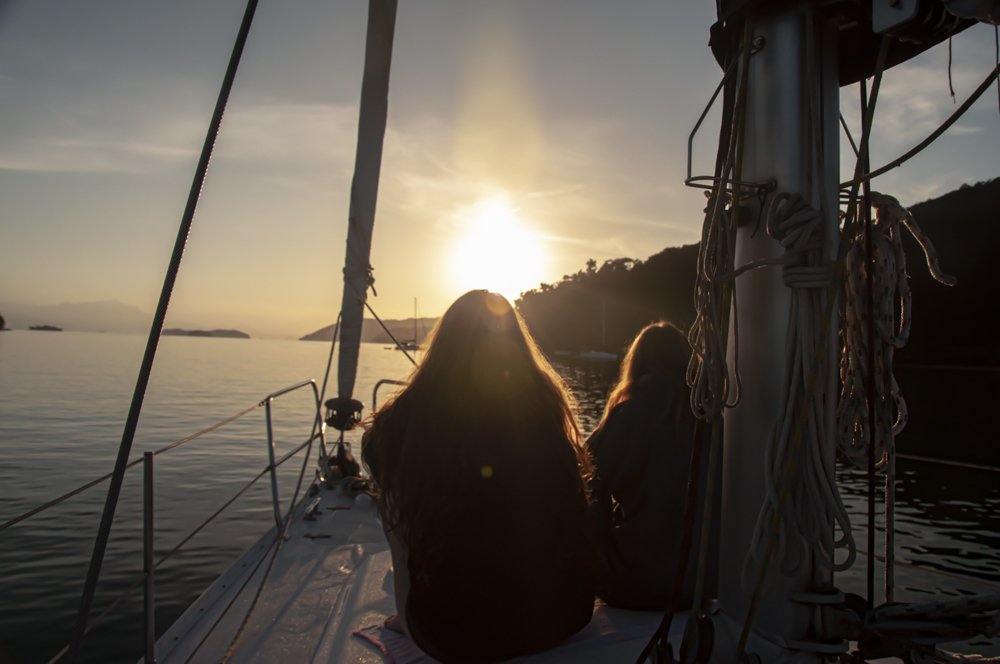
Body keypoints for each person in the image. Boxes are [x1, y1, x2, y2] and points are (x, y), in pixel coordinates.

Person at [362, 290, 596, 663]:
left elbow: (391, 497)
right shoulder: (546, 406)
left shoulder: (401, 423)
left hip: (457, 636)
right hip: (564, 617)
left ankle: (406, 616)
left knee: (391, 507)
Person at [586, 321, 705, 610]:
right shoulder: (712, 418)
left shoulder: (628, 414)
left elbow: (583, 473)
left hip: (634, 584)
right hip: (702, 584)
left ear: (636, 364)